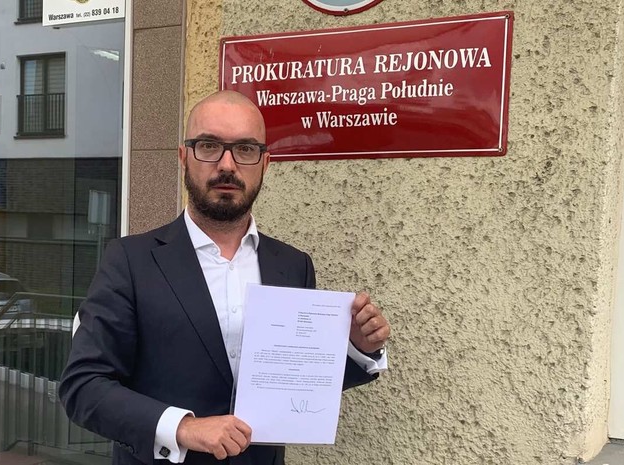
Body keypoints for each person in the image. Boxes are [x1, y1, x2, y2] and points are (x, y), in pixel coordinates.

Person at [59, 90, 391, 465]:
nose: (227, 164)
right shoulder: (130, 261)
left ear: (265, 163)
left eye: (245, 149)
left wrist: (358, 347)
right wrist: (182, 427)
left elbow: (298, 382)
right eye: (209, 146)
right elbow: (83, 387)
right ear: (183, 157)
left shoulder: (293, 266)